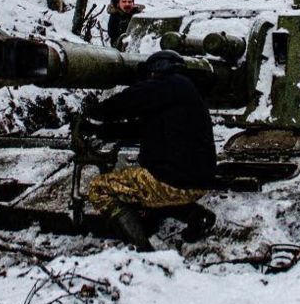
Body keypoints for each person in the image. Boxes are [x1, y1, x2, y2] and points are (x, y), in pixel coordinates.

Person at [86, 50, 217, 251]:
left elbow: (130, 101)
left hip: (171, 180)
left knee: (99, 188)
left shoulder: (171, 84)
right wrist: (100, 130)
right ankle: (194, 215)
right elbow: (140, 129)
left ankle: (141, 250)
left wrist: (96, 110)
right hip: (195, 180)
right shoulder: (183, 95)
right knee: (144, 180)